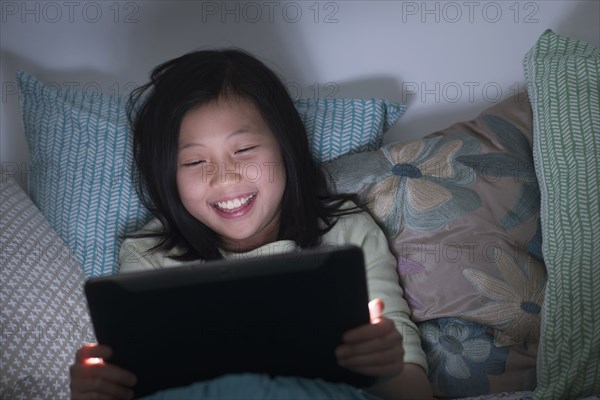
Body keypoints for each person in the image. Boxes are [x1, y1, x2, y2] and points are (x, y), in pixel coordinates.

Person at [69, 49, 433, 400]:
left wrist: (383, 371)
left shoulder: (347, 234)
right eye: (194, 162)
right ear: (167, 175)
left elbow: (415, 391)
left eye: (243, 151)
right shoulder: (148, 255)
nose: (224, 177)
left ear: (285, 147)